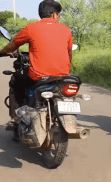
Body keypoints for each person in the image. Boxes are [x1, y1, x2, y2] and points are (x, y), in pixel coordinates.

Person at [0, 0, 73, 139]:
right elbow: (69, 53)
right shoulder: (66, 29)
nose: (58, 17)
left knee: (16, 79)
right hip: (62, 75)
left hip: (38, 76)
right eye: (58, 14)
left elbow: (12, 45)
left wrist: (2, 52)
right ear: (53, 15)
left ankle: (15, 118)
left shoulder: (31, 28)